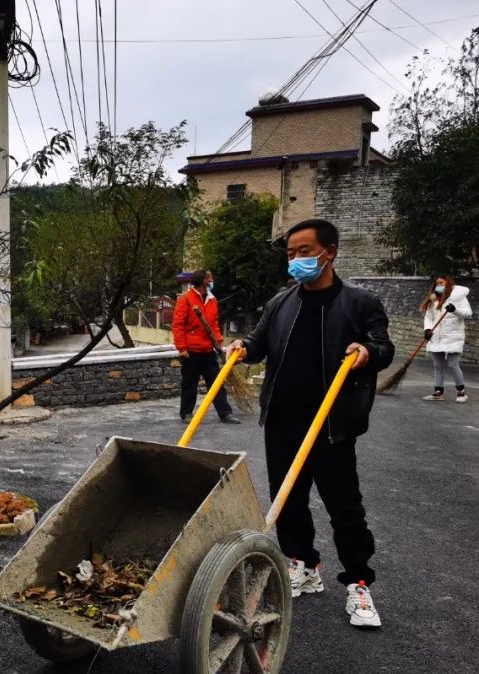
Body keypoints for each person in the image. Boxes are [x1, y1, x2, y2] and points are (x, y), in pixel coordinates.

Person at [228, 218, 394, 628]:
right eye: (291, 253)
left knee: (344, 506)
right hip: (283, 420)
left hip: (331, 425)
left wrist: (367, 352)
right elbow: (259, 345)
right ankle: (302, 564)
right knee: (288, 499)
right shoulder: (280, 303)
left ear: (329, 252)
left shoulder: (360, 303)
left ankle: (358, 583)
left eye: (304, 251)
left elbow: (384, 346)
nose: (296, 260)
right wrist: (241, 348)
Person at [172, 270, 241, 424]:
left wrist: (219, 341)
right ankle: (187, 413)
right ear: (203, 281)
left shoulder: (212, 300)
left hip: (208, 349)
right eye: (209, 278)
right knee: (190, 383)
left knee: (216, 382)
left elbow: (214, 324)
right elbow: (178, 325)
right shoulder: (186, 299)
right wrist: (182, 348)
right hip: (191, 351)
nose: (211, 280)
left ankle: (225, 413)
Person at [420, 274, 471, 403]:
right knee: (437, 365)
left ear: (448, 284)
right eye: (437, 284)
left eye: (441, 283)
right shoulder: (433, 299)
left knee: (453, 364)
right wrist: (427, 329)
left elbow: (468, 313)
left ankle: (461, 392)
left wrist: (454, 309)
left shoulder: (459, 298)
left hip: (454, 336)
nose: (439, 286)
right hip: (437, 336)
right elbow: (429, 317)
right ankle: (438, 392)